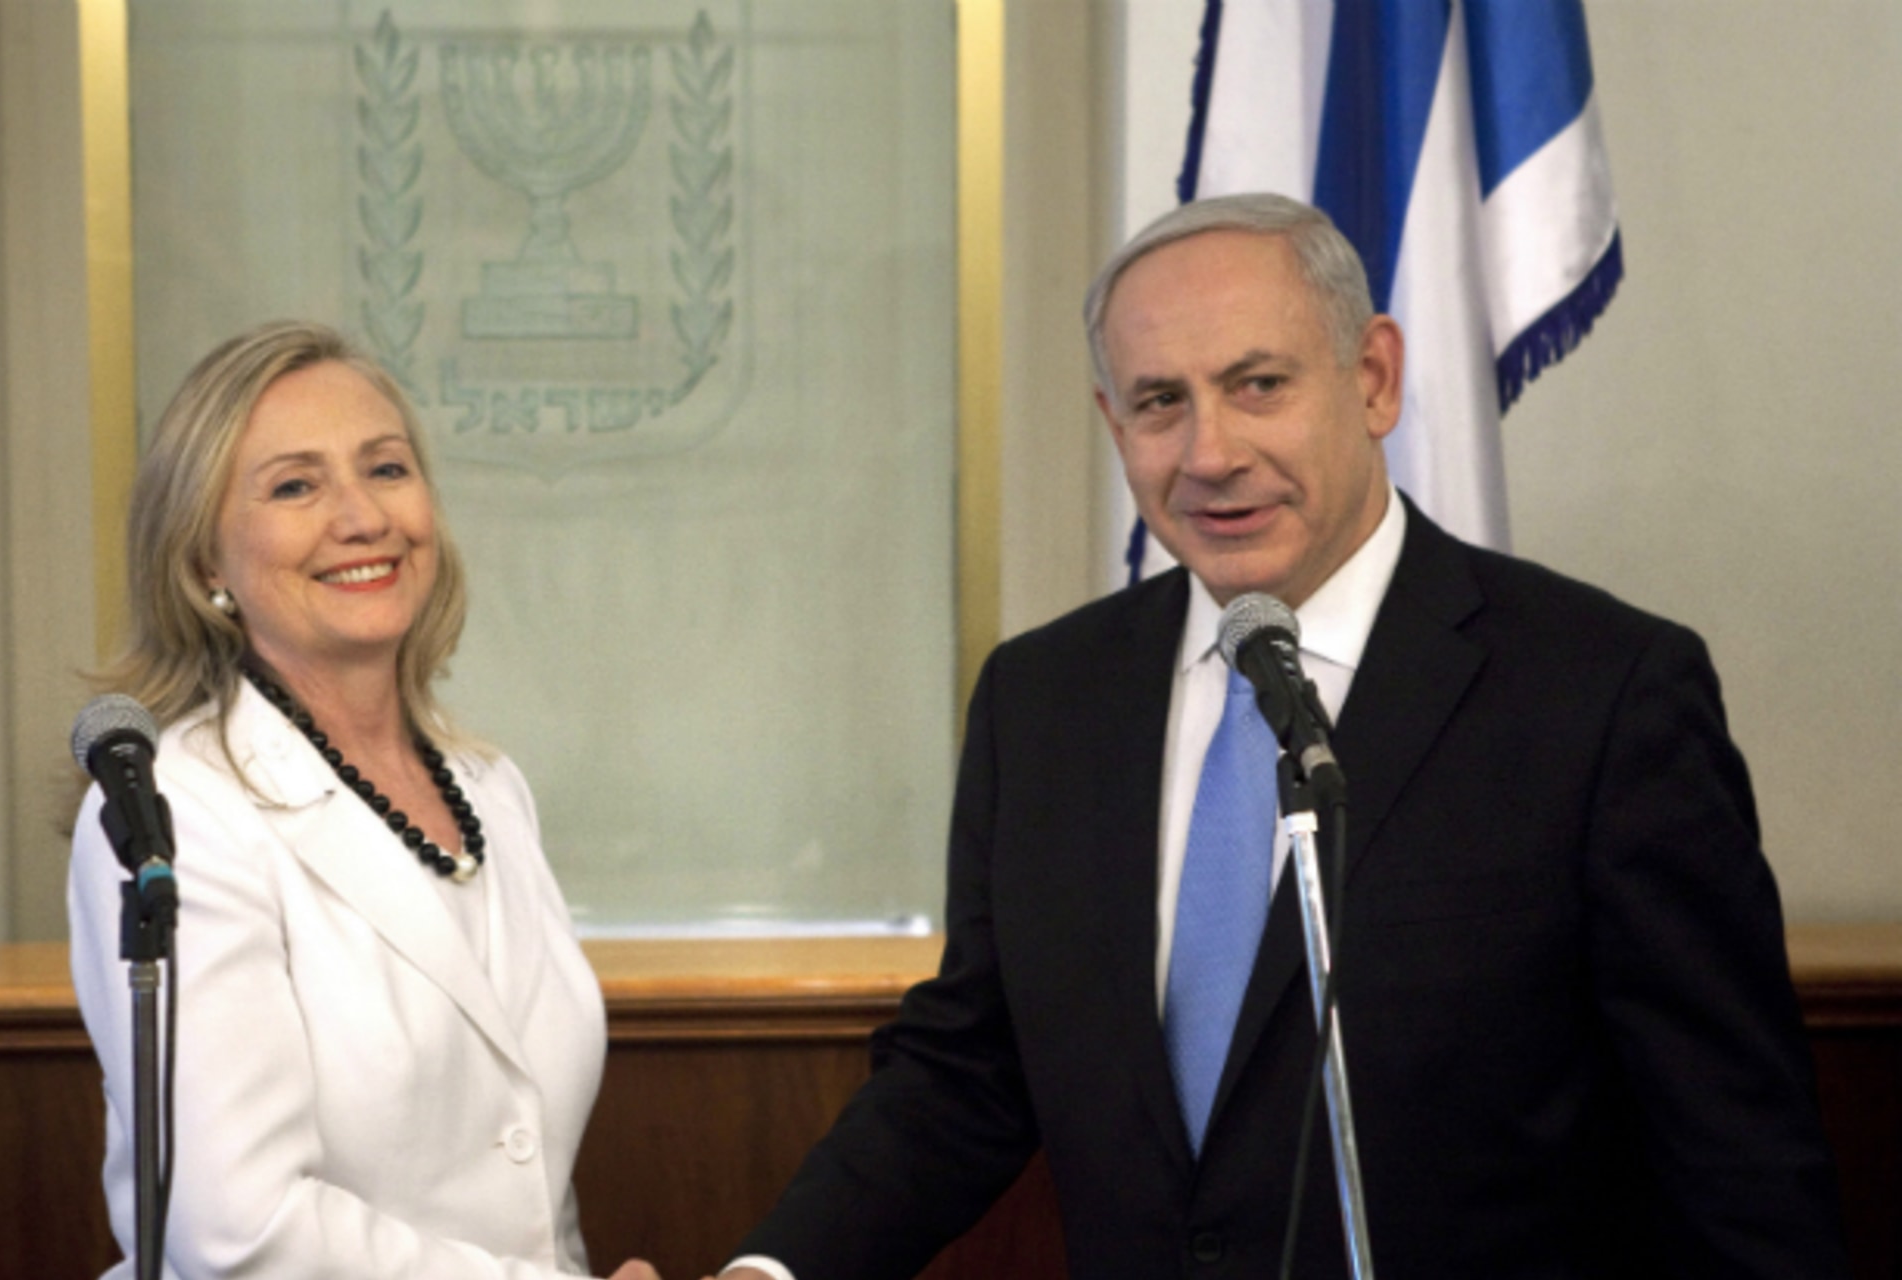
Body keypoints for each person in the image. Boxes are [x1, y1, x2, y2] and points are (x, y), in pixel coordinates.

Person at [711, 196, 1849, 1277]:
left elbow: (1737, 1157)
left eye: (1257, 385)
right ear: (1116, 425)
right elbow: (973, 1064)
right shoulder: (1043, 698)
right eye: (1161, 402)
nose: (1209, 452)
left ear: (1374, 379)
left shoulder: (1601, 693)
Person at [68, 322, 664, 1280]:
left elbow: (518, 1177)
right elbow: (238, 1233)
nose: (362, 518)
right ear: (206, 564)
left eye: (385, 469)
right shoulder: (175, 811)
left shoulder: (489, 790)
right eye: (295, 486)